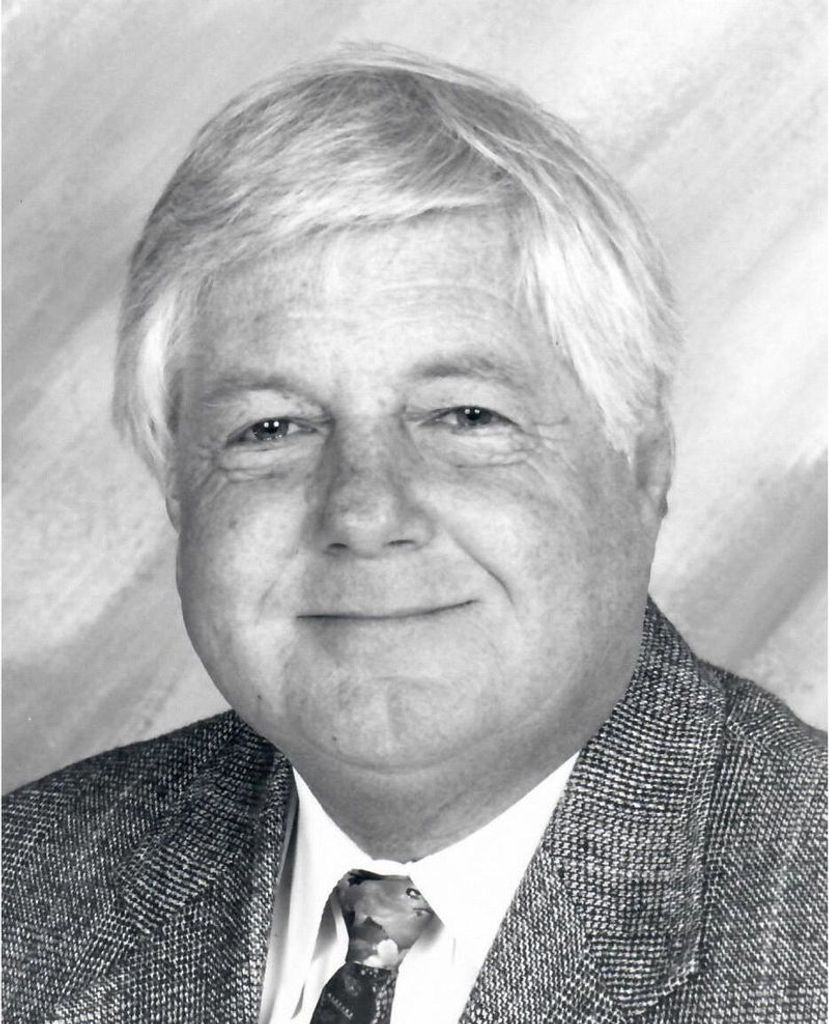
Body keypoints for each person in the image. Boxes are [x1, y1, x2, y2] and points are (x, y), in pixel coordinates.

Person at [3, 45, 825, 1024]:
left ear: (643, 463)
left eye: (464, 416)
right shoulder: (25, 888)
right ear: (177, 485)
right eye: (272, 428)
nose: (363, 510)